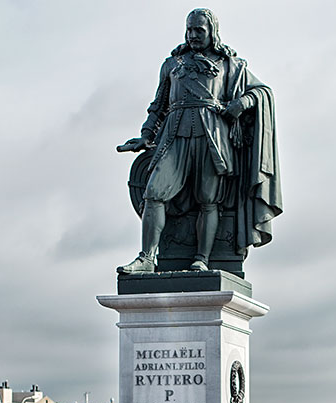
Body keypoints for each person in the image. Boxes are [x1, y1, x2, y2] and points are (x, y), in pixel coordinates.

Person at [116, 7, 281, 274]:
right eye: (189, 30)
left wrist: (241, 102)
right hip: (175, 135)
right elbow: (158, 106)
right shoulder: (172, 64)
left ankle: (202, 258)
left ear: (211, 32)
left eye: (199, 30)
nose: (193, 35)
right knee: (154, 192)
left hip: (212, 136)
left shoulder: (230, 65)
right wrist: (146, 134)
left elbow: (262, 91)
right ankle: (147, 258)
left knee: (209, 199)